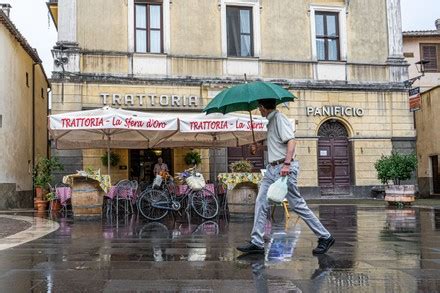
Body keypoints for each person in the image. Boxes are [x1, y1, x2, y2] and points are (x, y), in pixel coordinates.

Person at [237, 99, 335, 255]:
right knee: (261, 202)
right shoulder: (270, 122)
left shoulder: (279, 118)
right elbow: (276, 145)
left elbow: (291, 141)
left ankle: (325, 236)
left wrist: (287, 164)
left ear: (262, 107)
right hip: (272, 169)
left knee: (297, 205)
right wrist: (259, 146)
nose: (258, 111)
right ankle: (257, 242)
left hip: (283, 167)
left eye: (259, 108)